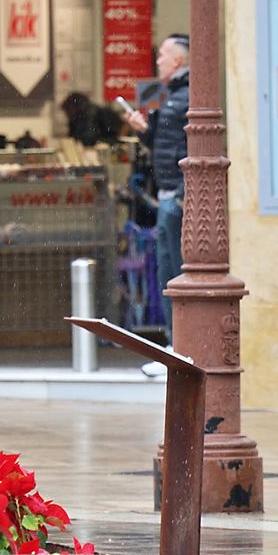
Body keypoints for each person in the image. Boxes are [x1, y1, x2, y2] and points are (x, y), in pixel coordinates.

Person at [124, 35, 190, 347]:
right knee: (167, 272)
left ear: (177, 60)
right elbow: (165, 144)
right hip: (168, 194)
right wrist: (144, 132)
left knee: (176, 273)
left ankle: (181, 344)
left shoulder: (188, 95)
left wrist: (180, 192)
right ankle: (174, 342)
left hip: (176, 197)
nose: (158, 60)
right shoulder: (172, 95)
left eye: (163, 55)